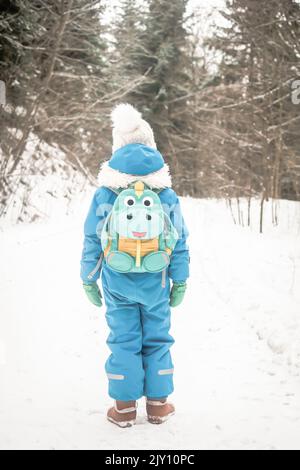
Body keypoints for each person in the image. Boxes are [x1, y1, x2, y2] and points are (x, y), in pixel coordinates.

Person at [80, 104, 190, 427]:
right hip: (156, 279)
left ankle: (124, 408)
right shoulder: (165, 192)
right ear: (151, 145)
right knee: (157, 337)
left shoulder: (106, 192)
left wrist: (89, 277)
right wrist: (180, 280)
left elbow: (92, 237)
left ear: (117, 148)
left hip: (117, 278)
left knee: (123, 338)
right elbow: (180, 238)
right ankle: (158, 406)